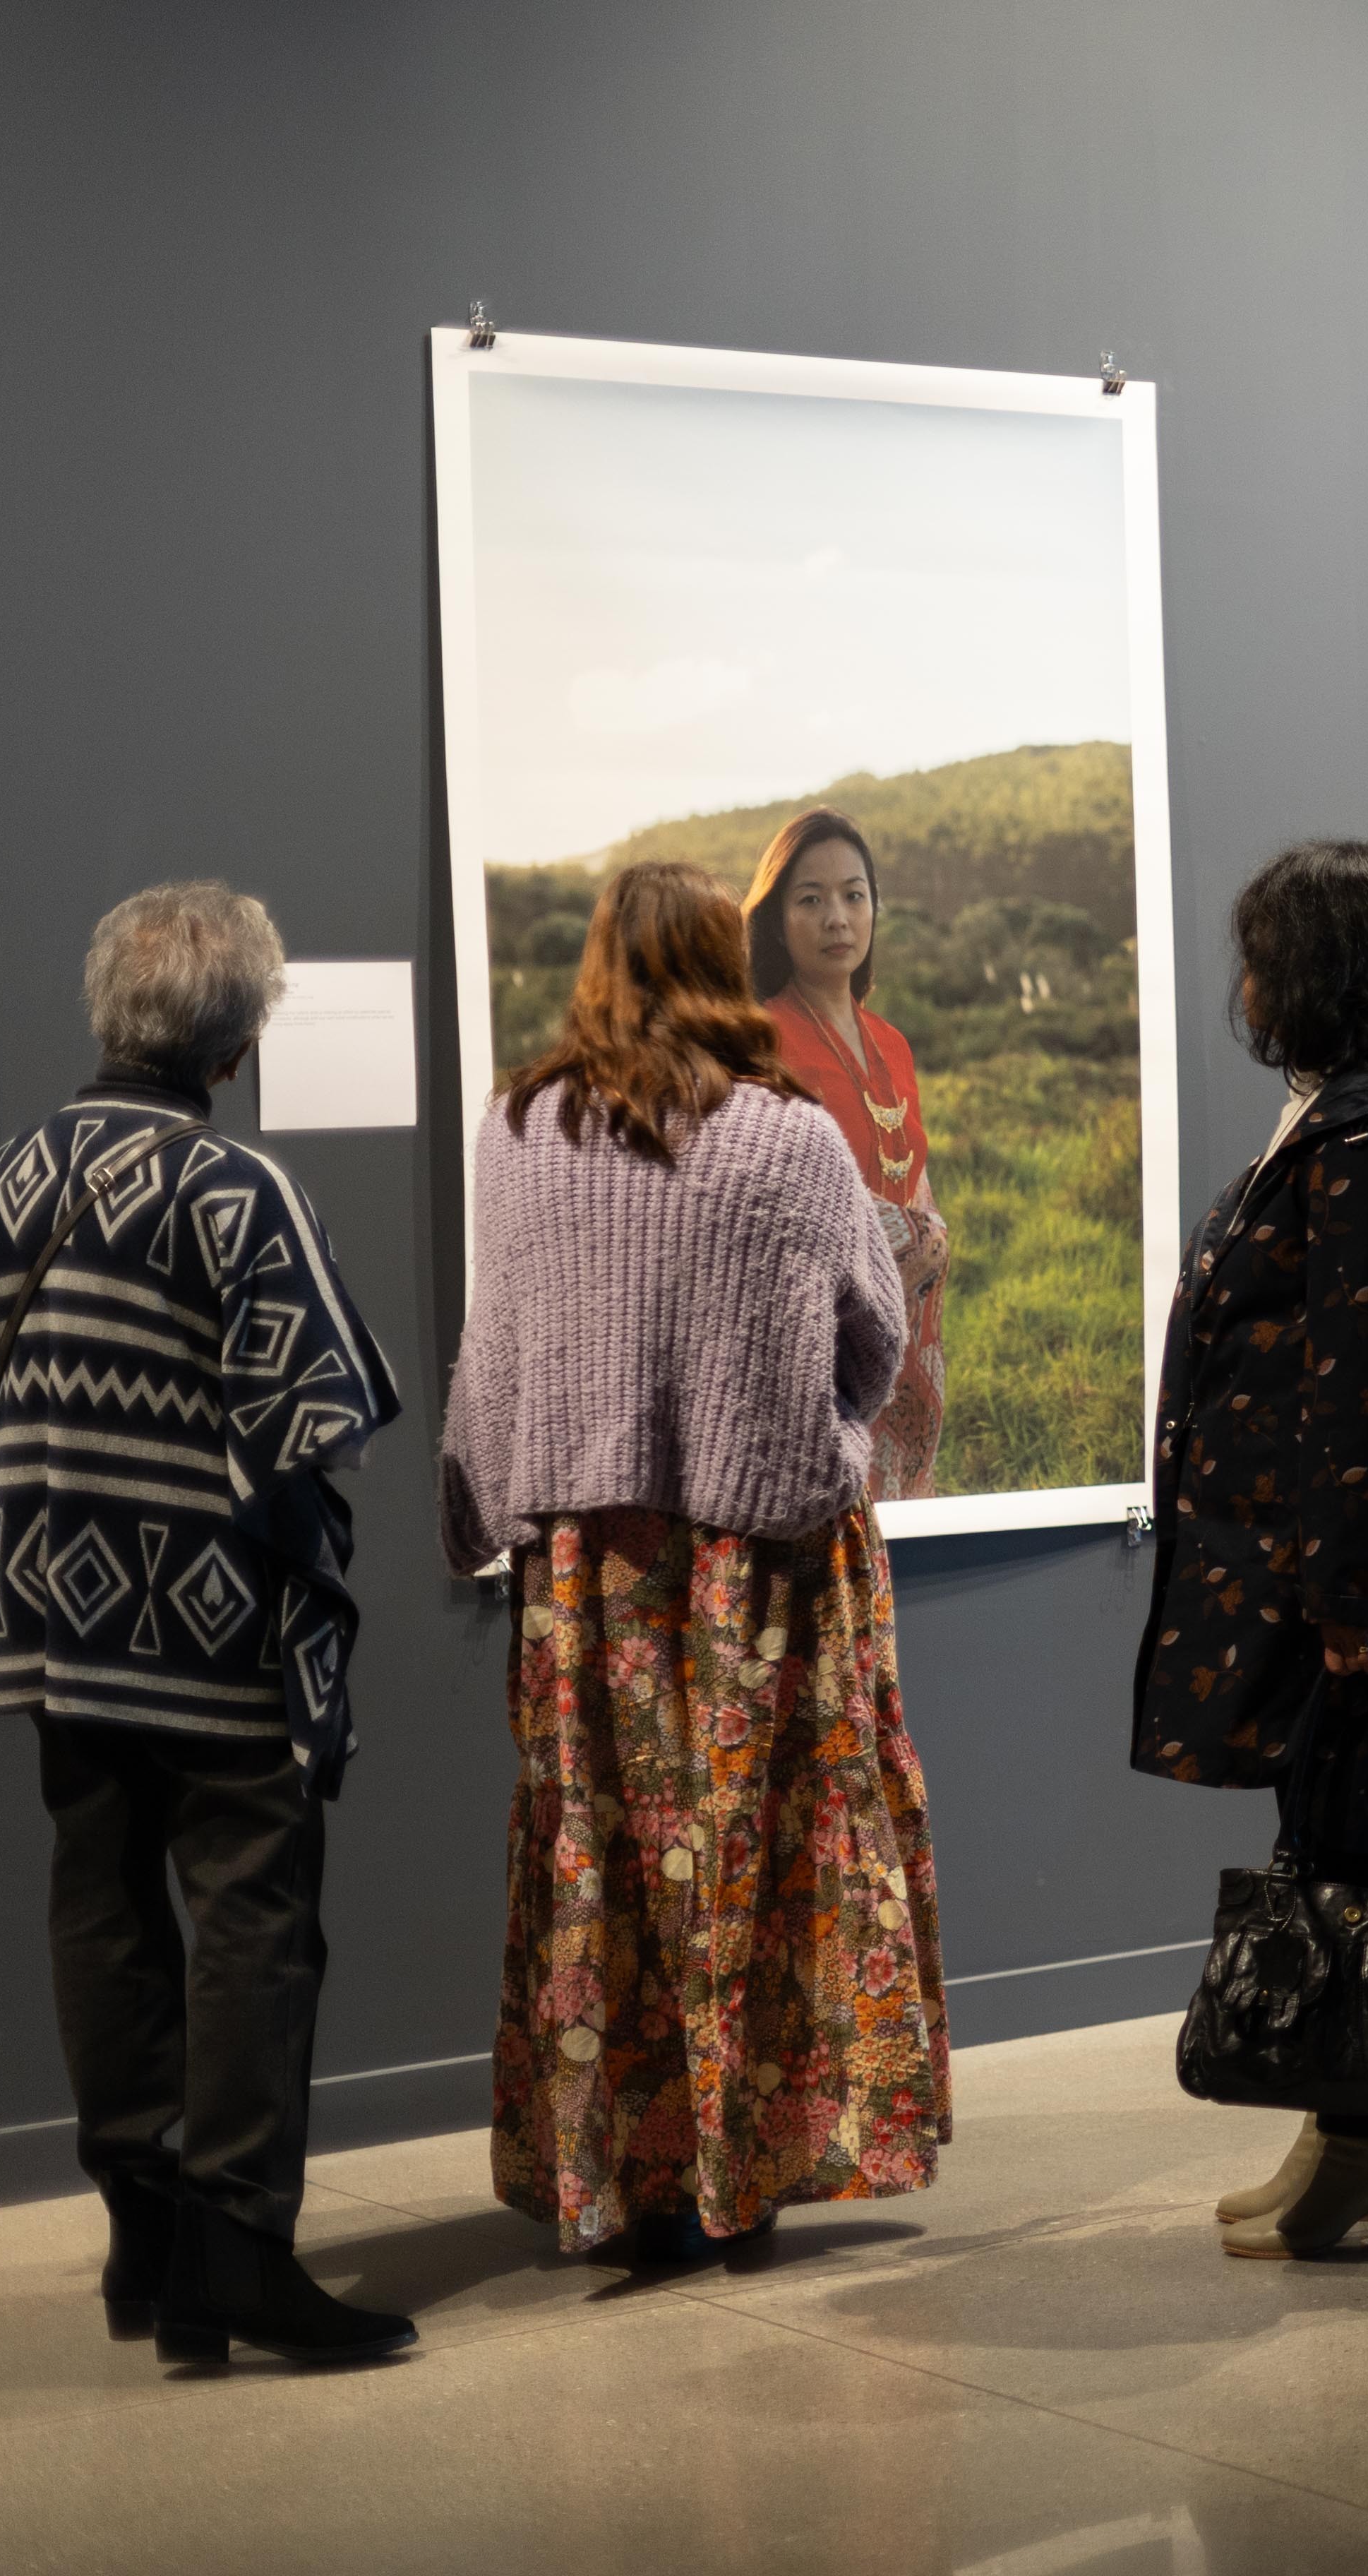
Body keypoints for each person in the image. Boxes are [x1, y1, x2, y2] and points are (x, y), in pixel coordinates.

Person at [443, 860, 949, 2265]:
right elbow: (868, 1335)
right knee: (758, 1855)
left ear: (599, 962)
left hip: (586, 1579)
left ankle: (624, 2175)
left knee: (601, 1850)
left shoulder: (520, 1127)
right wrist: (807, 1433)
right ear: (730, 969)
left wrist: (492, 1494)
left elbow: (502, 1348)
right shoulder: (788, 1136)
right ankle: (755, 2164)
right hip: (758, 1573)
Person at [0, 885, 410, 2363]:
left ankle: (144, 2238)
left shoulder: (15, 1170)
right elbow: (312, 1425)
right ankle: (234, 2246)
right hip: (206, 1620)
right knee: (250, 1915)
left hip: (46, 1615)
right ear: (236, 1039)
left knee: (100, 1903)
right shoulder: (240, 1192)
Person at [1134, 841, 1368, 2256]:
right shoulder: (1348, 1125)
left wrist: (1349, 1599)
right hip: (1313, 1572)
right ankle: (1352, 2142)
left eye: (1263, 959)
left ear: (1321, 976)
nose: (1245, 988)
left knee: (1359, 1854)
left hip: (1350, 1589)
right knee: (1336, 1844)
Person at [745, 807, 949, 1498]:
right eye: (811, 899)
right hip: (817, 1360)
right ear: (776, 919)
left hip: (907, 1351)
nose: (838, 917)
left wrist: (924, 1236)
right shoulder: (758, 1041)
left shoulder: (892, 1041)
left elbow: (914, 1182)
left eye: (853, 895)